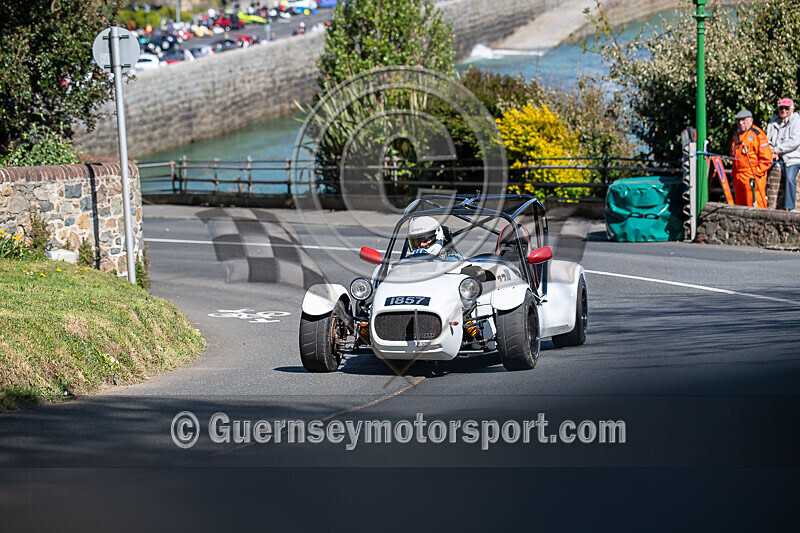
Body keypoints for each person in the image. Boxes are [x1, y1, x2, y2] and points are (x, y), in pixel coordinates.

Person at [730, 109, 773, 208]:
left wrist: (756, 173)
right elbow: (734, 158)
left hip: (752, 176)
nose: (741, 123)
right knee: (740, 207)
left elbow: (766, 160)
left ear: (751, 120)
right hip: (738, 177)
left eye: (743, 120)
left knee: (754, 205)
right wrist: (733, 176)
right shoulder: (736, 136)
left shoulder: (757, 135)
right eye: (738, 121)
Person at [767, 98, 800, 211]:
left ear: (792, 109)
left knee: (790, 178)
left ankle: (789, 208)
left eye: (787, 108)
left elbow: (794, 142)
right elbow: (768, 140)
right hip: (775, 156)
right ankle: (760, 202)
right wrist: (771, 151)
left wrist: (777, 150)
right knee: (759, 171)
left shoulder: (796, 120)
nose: (784, 110)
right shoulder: (773, 121)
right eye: (781, 108)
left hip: (792, 157)